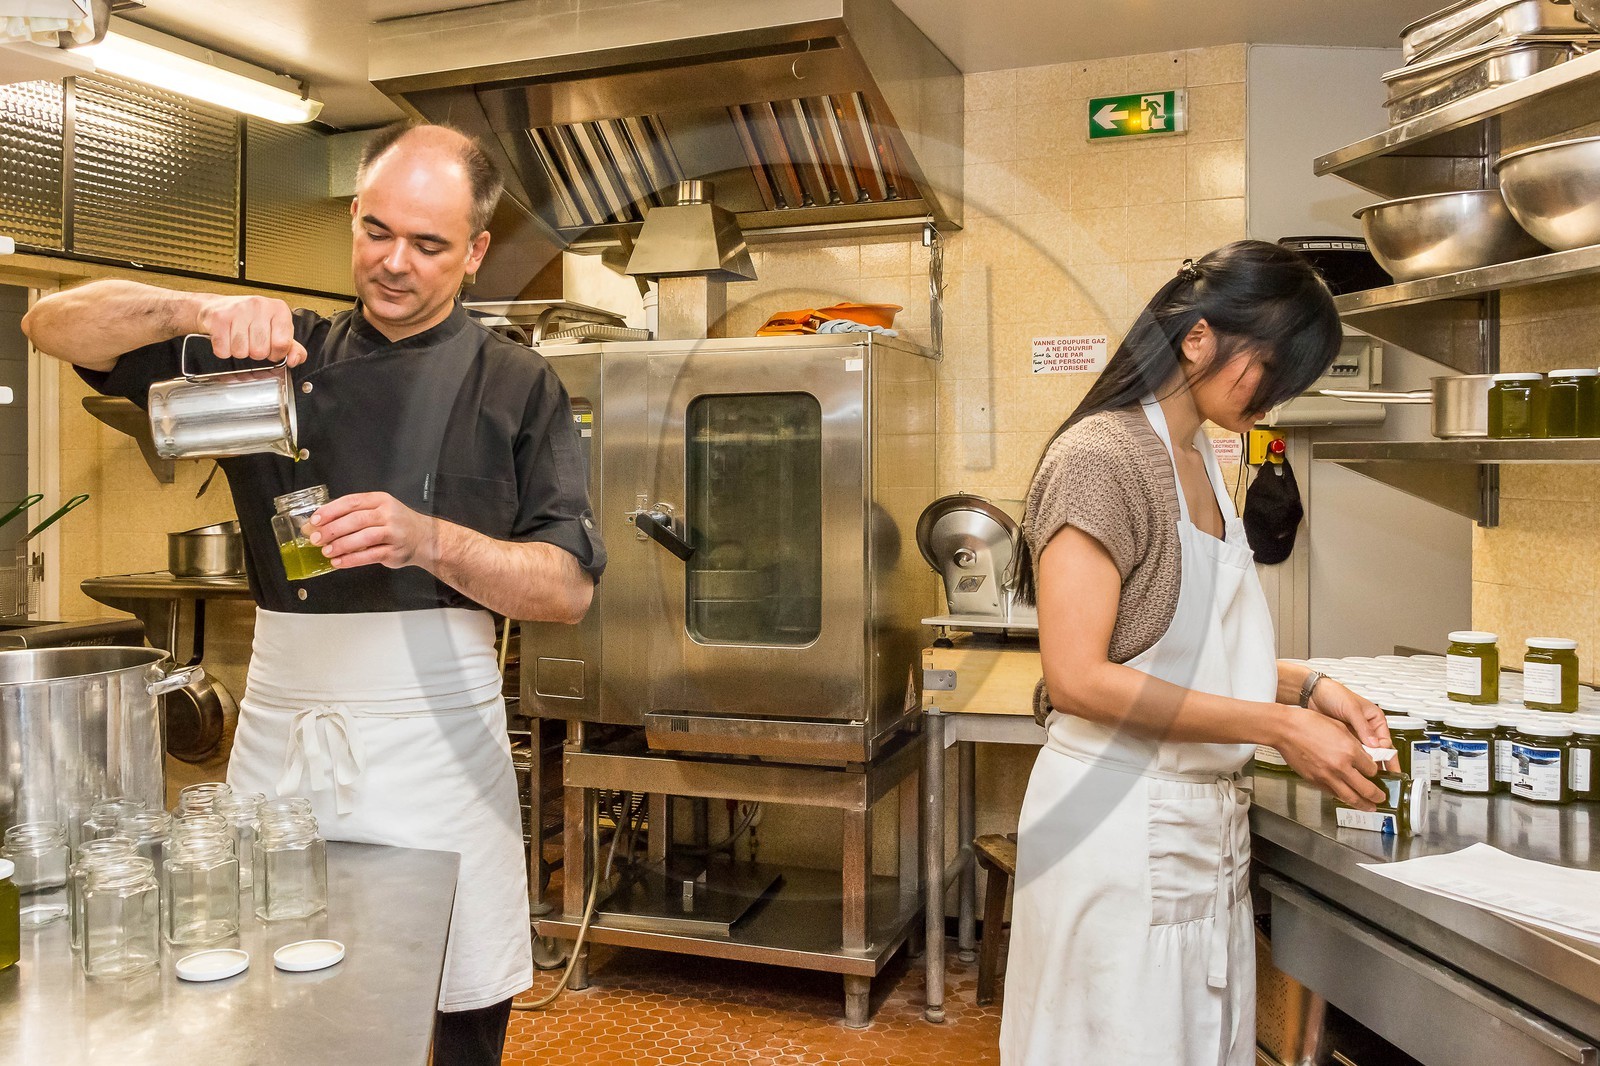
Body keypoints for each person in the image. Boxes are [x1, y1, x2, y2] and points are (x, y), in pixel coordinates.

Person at [23, 122, 605, 1065]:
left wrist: (432, 541)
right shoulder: (275, 350)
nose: (396, 264)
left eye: (429, 245)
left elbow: (568, 588)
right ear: (353, 218)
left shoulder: (516, 386)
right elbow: (47, 325)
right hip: (285, 742)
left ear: (476, 252)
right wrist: (195, 309)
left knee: (456, 1021)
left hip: (441, 754)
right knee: (273, 1011)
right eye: (378, 232)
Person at [998, 240, 1392, 1065]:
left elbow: (1174, 644)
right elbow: (1078, 678)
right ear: (1199, 337)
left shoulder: (1203, 460)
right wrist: (1277, 728)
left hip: (1192, 826)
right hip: (1115, 828)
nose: (1279, 395)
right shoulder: (1102, 457)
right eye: (1274, 368)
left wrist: (1307, 688)